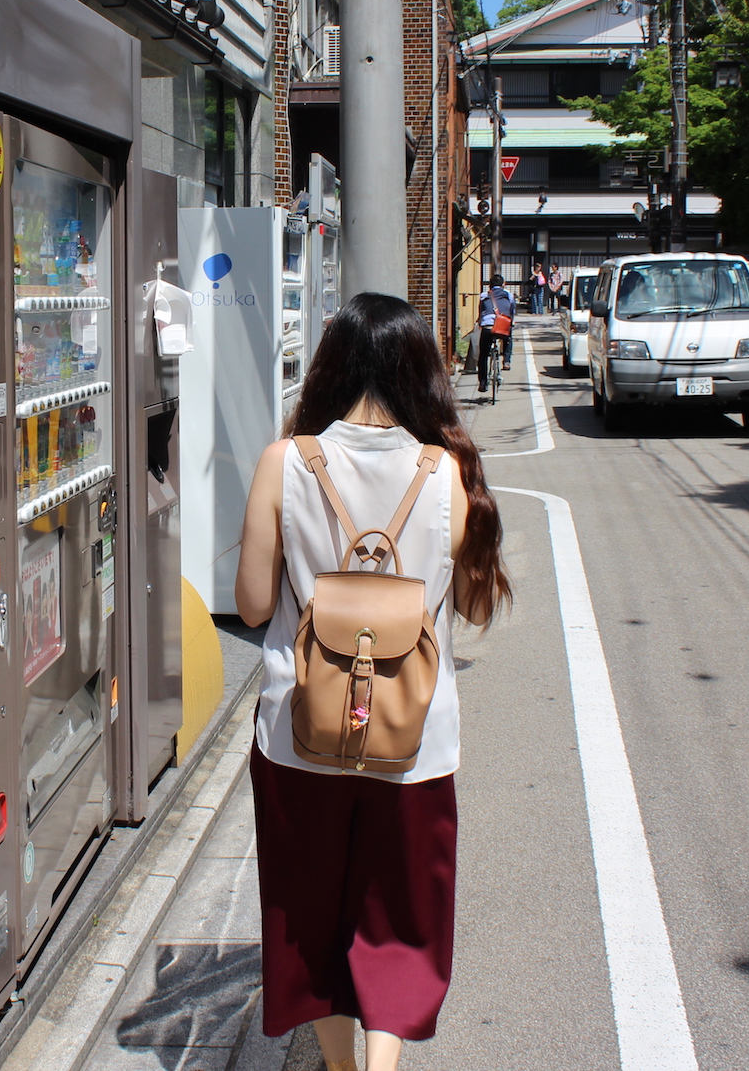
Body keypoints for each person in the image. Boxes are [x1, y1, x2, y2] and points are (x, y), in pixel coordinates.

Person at [235, 293, 511, 1071]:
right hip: (415, 742)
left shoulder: (284, 463)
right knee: (399, 918)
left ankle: (343, 1067)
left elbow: (254, 602)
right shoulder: (449, 471)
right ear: (420, 373)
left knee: (308, 917)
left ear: (330, 368)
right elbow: (473, 602)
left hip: (300, 738)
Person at [476, 276, 515, 395]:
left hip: (487, 326)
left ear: (489, 285)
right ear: (504, 284)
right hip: (502, 325)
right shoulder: (509, 295)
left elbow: (481, 311)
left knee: (483, 354)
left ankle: (483, 382)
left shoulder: (484, 295)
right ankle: (506, 361)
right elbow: (512, 311)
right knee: (508, 336)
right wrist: (511, 322)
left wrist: (480, 322)